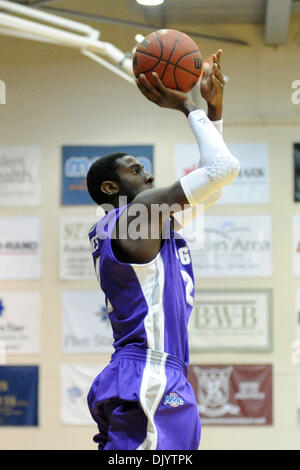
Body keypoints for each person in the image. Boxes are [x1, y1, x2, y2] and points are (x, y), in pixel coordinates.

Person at [86, 50, 240, 450]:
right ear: (110, 188)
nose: (149, 174)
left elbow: (215, 187)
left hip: (152, 374)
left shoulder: (138, 225)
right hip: (149, 374)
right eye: (135, 170)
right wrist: (187, 106)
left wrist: (214, 110)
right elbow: (223, 170)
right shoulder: (135, 214)